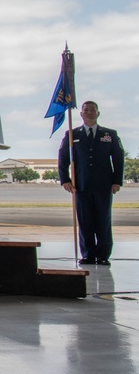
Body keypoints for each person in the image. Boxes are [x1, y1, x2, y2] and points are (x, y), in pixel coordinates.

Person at [58, 101, 125, 266]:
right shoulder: (73, 135)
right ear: (81, 114)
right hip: (81, 186)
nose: (89, 113)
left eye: (92, 110)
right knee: (85, 221)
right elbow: (63, 157)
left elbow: (118, 158)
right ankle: (87, 254)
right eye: (86, 110)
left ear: (98, 113)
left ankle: (103, 255)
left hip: (104, 186)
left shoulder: (109, 134)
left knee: (103, 220)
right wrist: (65, 179)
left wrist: (117, 181)